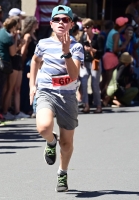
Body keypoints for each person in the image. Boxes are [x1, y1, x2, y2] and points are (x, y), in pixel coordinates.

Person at [29, 5, 84, 192]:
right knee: (43, 127)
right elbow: (35, 61)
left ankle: (62, 172)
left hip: (67, 95)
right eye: (57, 19)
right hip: (46, 91)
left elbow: (74, 74)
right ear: (51, 23)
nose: (61, 22)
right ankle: (51, 141)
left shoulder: (76, 46)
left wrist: (66, 51)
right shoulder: (42, 43)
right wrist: (32, 85)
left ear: (70, 24)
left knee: (67, 143)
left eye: (65, 20)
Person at [79, 18, 104, 113]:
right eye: (83, 27)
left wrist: (92, 50)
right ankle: (86, 105)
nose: (85, 29)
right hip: (85, 62)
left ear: (92, 27)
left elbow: (101, 52)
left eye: (87, 27)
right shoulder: (83, 37)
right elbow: (80, 49)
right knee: (84, 82)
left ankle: (98, 105)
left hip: (95, 61)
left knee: (95, 84)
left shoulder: (98, 37)